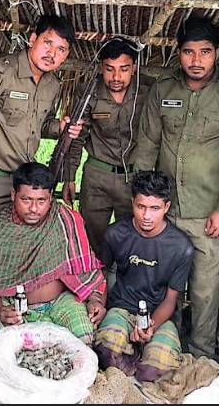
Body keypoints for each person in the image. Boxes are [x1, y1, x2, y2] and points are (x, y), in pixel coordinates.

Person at [0, 15, 83, 331]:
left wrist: (60, 127)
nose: (52, 53)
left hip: (25, 184)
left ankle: (5, 318)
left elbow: (39, 125)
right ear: (32, 39)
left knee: (16, 249)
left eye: (61, 49)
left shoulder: (52, 84)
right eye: (48, 43)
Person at [135, 16, 219, 360]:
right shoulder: (163, 89)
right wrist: (145, 203)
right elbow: (147, 144)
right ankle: (161, 350)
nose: (197, 60)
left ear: (217, 52)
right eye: (189, 51)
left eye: (205, 51)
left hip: (207, 214)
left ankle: (201, 357)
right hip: (166, 211)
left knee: (205, 291)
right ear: (179, 52)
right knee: (159, 284)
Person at [0, 162, 107, 357]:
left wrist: (96, 300)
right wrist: (1, 311)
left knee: (84, 333)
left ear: (51, 197)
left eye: (41, 201)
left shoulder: (65, 220)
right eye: (26, 199)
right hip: (13, 307)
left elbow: (88, 273)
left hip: (59, 303)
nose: (33, 208)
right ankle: (2, 372)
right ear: (13, 195)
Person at [62, 37, 153, 289]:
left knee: (133, 240)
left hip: (134, 179)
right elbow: (76, 136)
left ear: (134, 67)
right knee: (91, 239)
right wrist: (69, 177)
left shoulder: (149, 91)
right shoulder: (88, 92)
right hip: (97, 177)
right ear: (101, 67)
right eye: (109, 69)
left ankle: (126, 295)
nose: (116, 76)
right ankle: (93, 294)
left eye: (124, 69)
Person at [94, 170, 193, 382]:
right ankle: (130, 355)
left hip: (159, 316)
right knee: (107, 352)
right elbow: (102, 274)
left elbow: (171, 299)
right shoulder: (115, 234)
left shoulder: (180, 246)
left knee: (154, 371)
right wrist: (100, 305)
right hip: (121, 309)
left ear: (166, 207)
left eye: (155, 208)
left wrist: (150, 326)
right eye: (141, 207)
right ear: (132, 202)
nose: (146, 216)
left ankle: (139, 355)